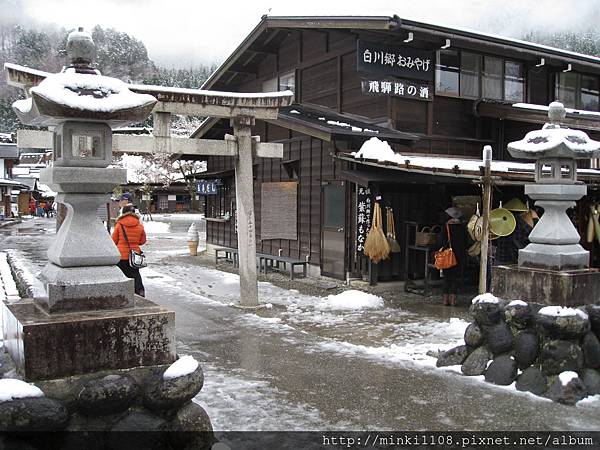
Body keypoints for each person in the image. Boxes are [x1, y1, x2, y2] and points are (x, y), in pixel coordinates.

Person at [112, 204, 147, 297]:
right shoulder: (139, 226)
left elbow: (113, 240)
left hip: (121, 255)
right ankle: (139, 290)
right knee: (135, 274)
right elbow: (142, 241)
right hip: (134, 255)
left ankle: (123, 293)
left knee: (122, 275)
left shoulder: (119, 225)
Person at [436, 206, 467, 306]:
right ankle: (453, 301)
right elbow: (466, 243)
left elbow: (440, 242)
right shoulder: (463, 228)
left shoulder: (446, 227)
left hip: (447, 256)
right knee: (455, 278)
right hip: (459, 256)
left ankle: (445, 301)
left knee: (446, 278)